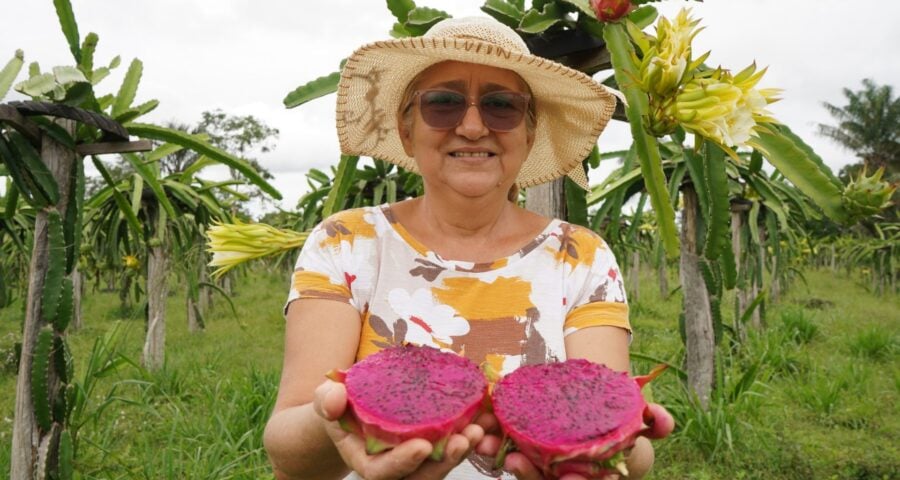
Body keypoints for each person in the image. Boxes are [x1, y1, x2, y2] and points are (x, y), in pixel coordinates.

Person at [264, 16, 674, 480]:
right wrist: (332, 415)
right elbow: (286, 450)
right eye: (443, 103)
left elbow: (625, 445)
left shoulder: (581, 256)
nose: (474, 126)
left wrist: (620, 442)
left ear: (529, 134)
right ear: (406, 130)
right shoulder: (345, 242)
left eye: (502, 105)